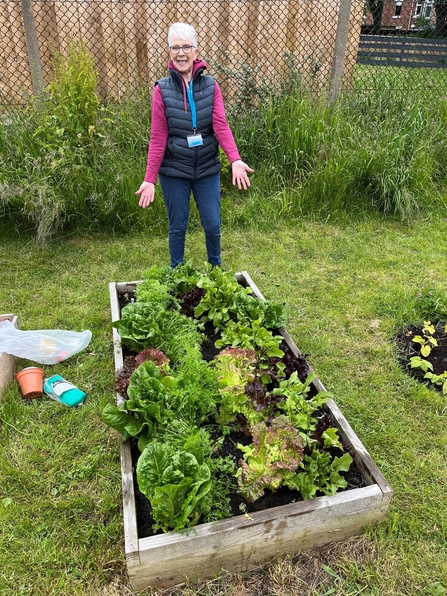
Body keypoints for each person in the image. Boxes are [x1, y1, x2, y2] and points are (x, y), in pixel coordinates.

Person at [136, 22, 253, 268]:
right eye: (175, 47)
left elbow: (220, 125)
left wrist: (235, 159)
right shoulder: (161, 89)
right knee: (177, 225)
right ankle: (176, 272)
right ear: (169, 52)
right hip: (174, 170)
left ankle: (215, 270)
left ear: (195, 50)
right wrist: (149, 179)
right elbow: (158, 137)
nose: (181, 53)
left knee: (212, 223)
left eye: (186, 47)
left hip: (206, 169)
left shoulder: (211, 86)